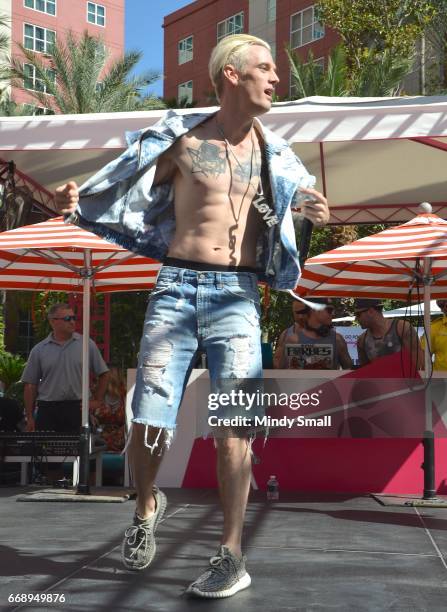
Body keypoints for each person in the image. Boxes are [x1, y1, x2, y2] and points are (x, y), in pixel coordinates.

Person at [54, 34, 330, 598]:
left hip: (238, 297)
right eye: (265, 68)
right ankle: (147, 502)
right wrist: (76, 199)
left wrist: (315, 209)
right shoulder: (180, 141)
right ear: (232, 73)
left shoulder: (277, 154)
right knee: (151, 420)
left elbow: (308, 199)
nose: (277, 79)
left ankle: (231, 552)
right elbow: (118, 189)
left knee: (235, 427)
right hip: (176, 288)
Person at [22, 303, 110, 432]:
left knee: (77, 450)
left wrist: (98, 400)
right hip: (48, 409)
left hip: (77, 407)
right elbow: (30, 385)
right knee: (46, 450)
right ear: (53, 321)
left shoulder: (86, 344)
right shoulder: (39, 350)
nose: (73, 322)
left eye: (74, 318)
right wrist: (29, 417)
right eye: (68, 319)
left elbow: (104, 374)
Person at [275, 298, 352, 369]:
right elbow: (279, 370)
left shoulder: (338, 340)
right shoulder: (292, 340)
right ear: (315, 310)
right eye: (329, 310)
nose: (333, 314)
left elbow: (349, 371)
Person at [355, 298, 423, 369]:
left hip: (406, 379)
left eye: (358, 314)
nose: (356, 319)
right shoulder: (362, 340)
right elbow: (365, 372)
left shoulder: (402, 328)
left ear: (371, 311)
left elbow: (418, 363)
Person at [92, 365, 126, 452]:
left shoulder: (127, 395)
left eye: (103, 376)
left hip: (121, 443)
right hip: (99, 442)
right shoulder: (96, 394)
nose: (99, 379)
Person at [273, 300, 308, 368]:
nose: (300, 316)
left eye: (303, 312)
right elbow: (276, 360)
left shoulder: (326, 334)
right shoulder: (286, 334)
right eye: (296, 312)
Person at [422, 299, 447, 370]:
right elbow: (423, 356)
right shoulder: (433, 328)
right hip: (441, 379)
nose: (445, 306)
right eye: (441, 304)